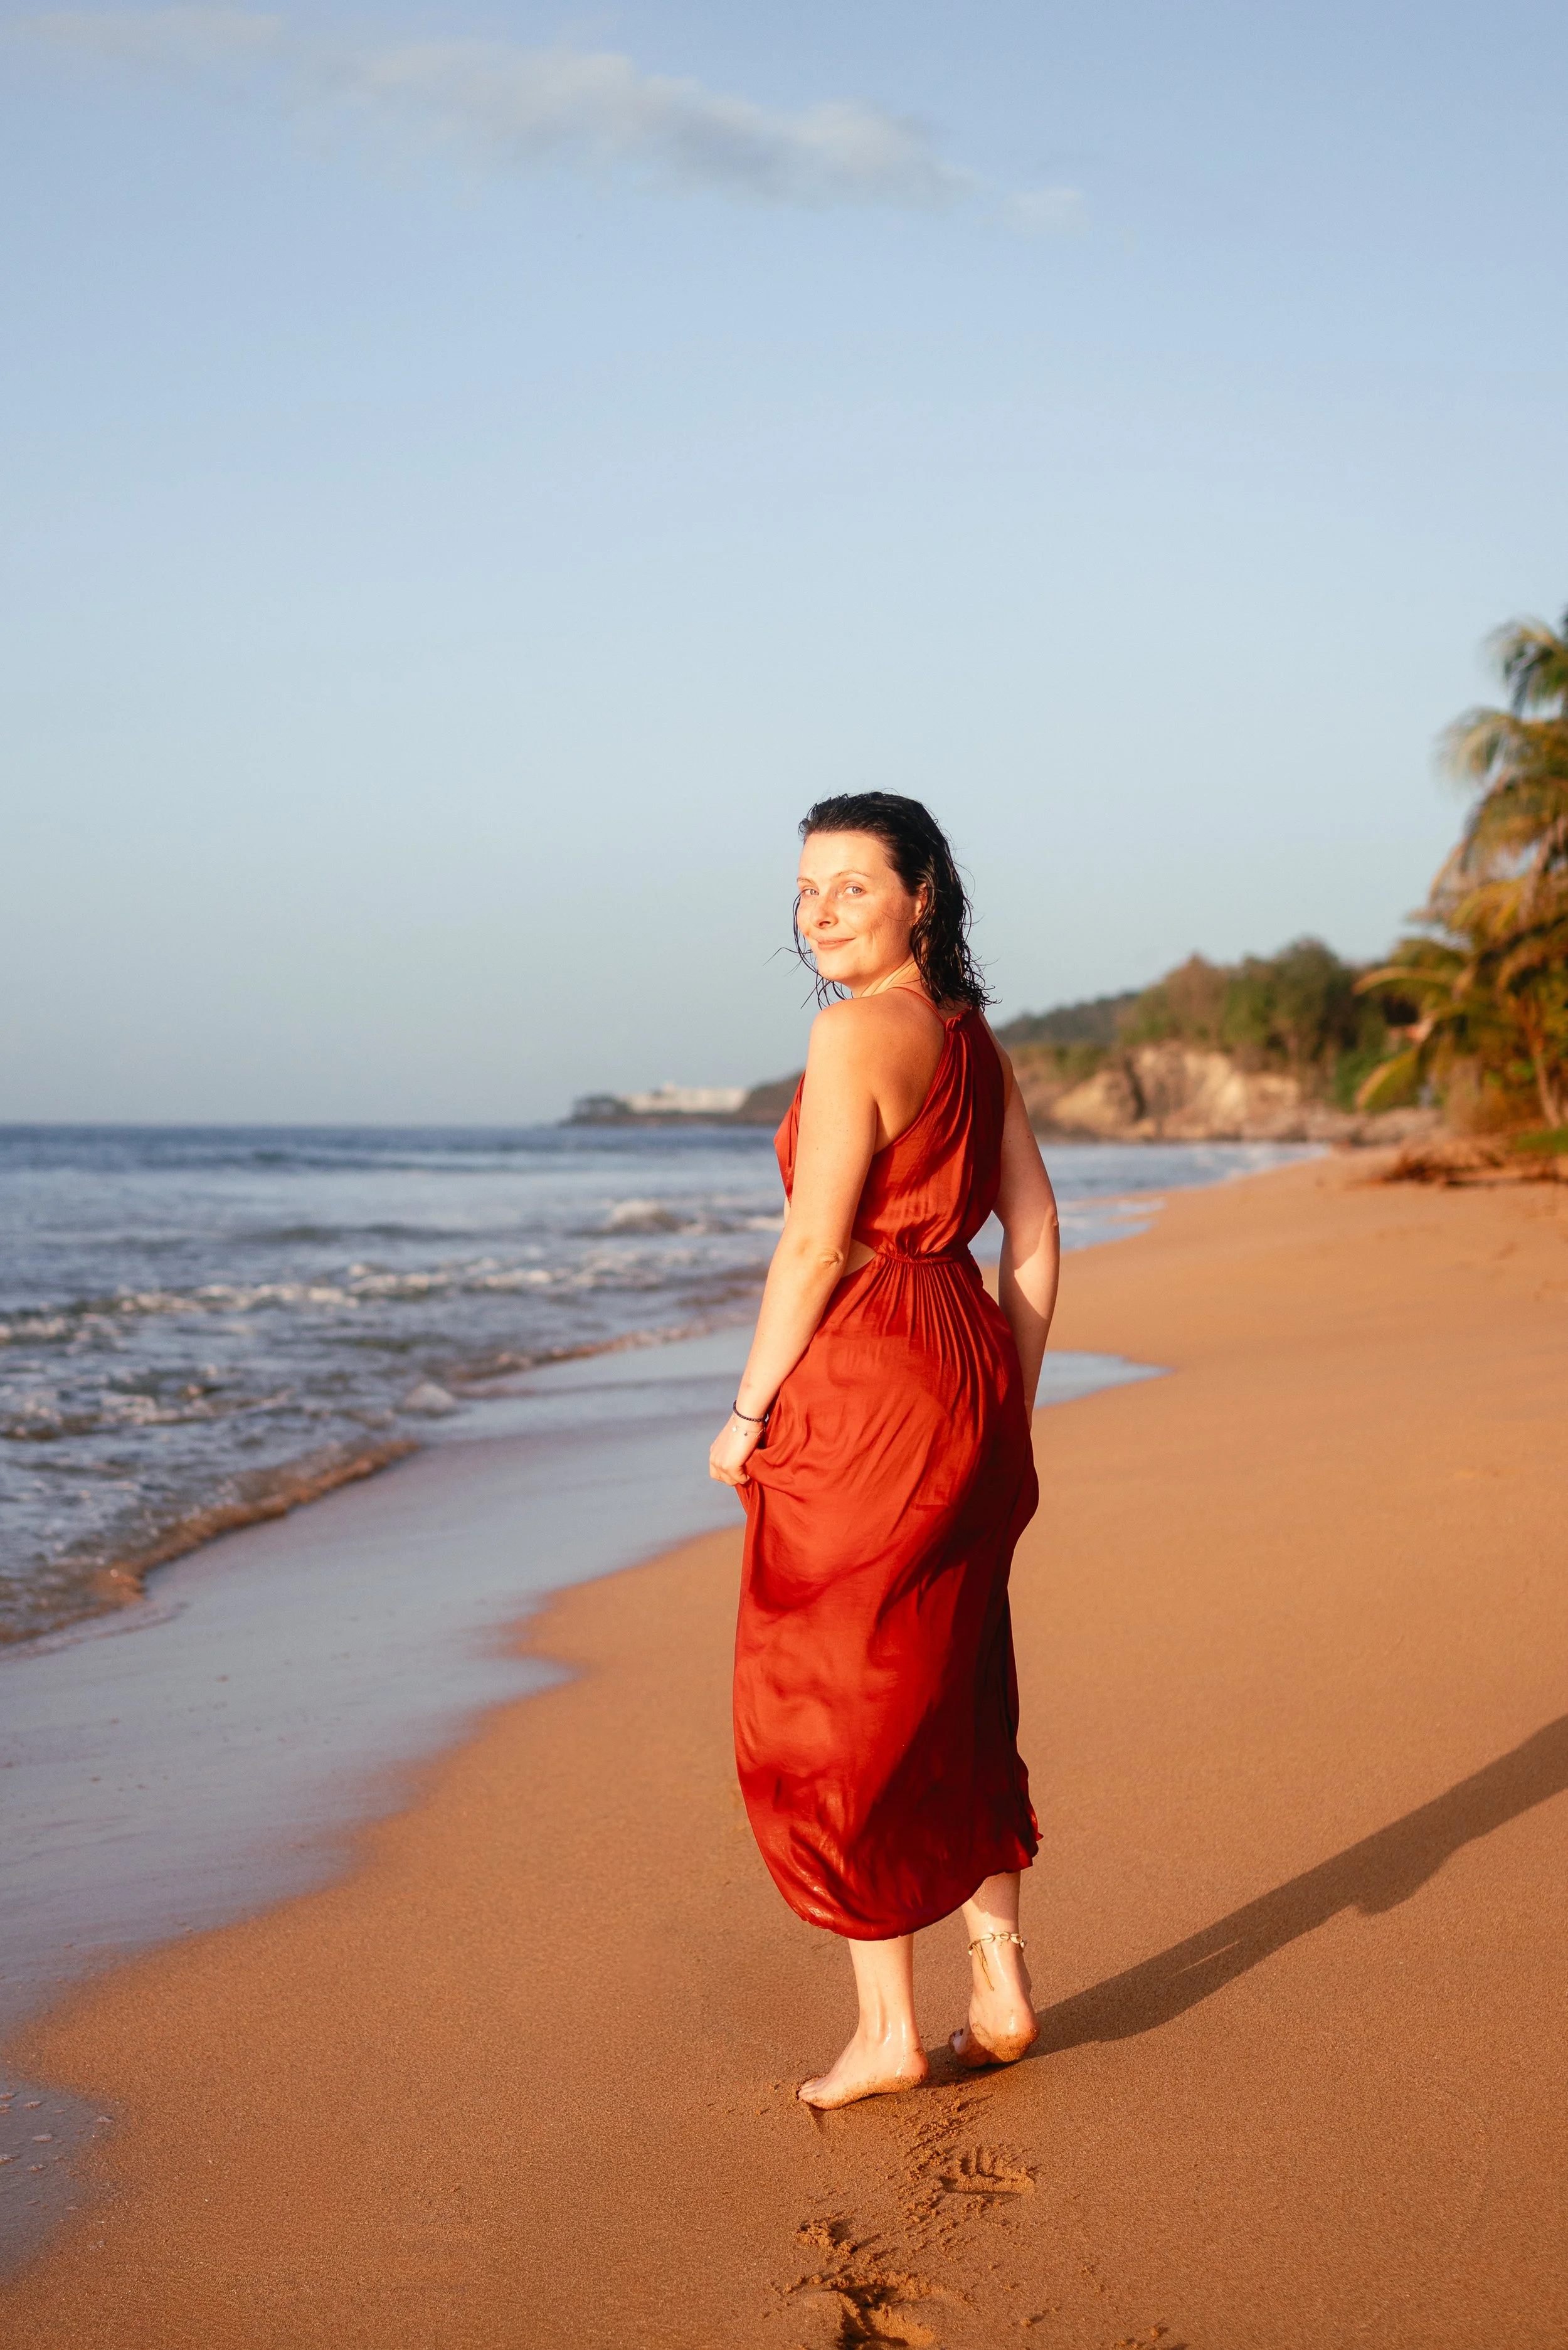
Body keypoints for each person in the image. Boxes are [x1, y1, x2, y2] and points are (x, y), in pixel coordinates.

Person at [709, 794, 1061, 2110]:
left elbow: (811, 1244)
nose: (818, 911)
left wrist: (746, 1412)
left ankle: (884, 2031)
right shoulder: (974, 1042)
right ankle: (996, 1984)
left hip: (866, 1382)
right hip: (963, 1364)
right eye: (805, 889)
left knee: (837, 1694)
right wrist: (1004, 1403)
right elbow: (1031, 1231)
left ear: (921, 894)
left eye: (850, 886)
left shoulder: (852, 1031)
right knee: (956, 1677)